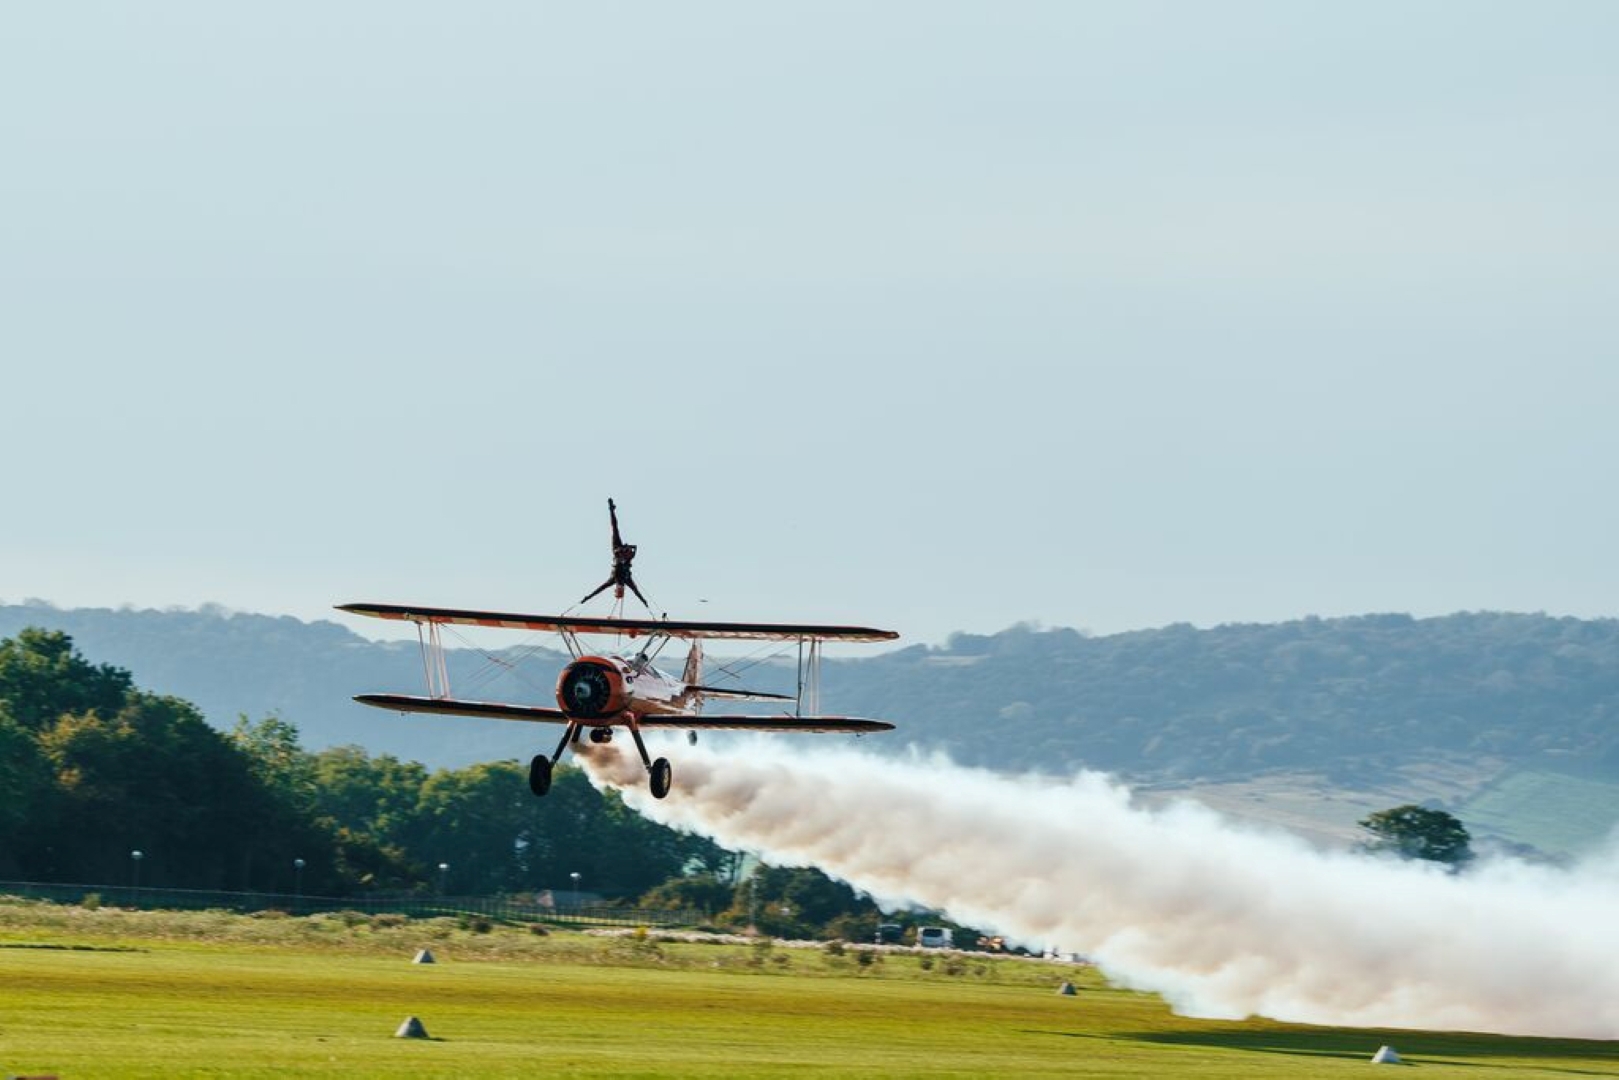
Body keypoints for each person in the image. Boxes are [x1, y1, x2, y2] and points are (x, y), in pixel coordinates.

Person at [580, 498, 650, 607]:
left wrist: (587, 597)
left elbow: (599, 589)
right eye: (621, 592)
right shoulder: (628, 581)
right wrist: (644, 602)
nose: (620, 590)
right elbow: (637, 593)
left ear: (616, 589)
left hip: (618, 551)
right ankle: (612, 510)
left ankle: (611, 510)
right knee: (616, 530)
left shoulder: (613, 580)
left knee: (615, 529)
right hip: (625, 554)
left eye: (618, 591)